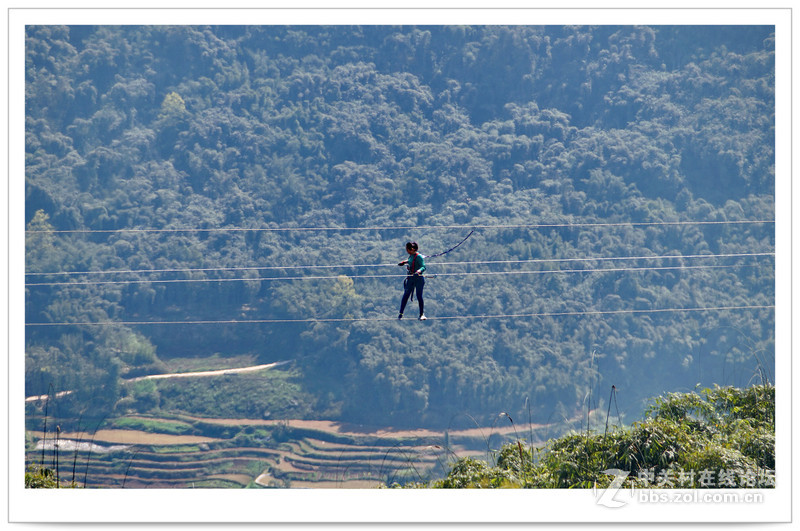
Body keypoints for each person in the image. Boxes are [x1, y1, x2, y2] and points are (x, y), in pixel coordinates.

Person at [397, 241, 427, 320]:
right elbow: (410, 260)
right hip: (411, 278)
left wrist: (418, 271)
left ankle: (421, 314)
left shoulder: (419, 257)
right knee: (406, 294)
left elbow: (423, 267)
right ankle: (401, 313)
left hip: (418, 278)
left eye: (408, 249)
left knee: (419, 295)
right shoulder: (411, 256)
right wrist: (404, 262)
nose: (407, 251)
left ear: (412, 249)